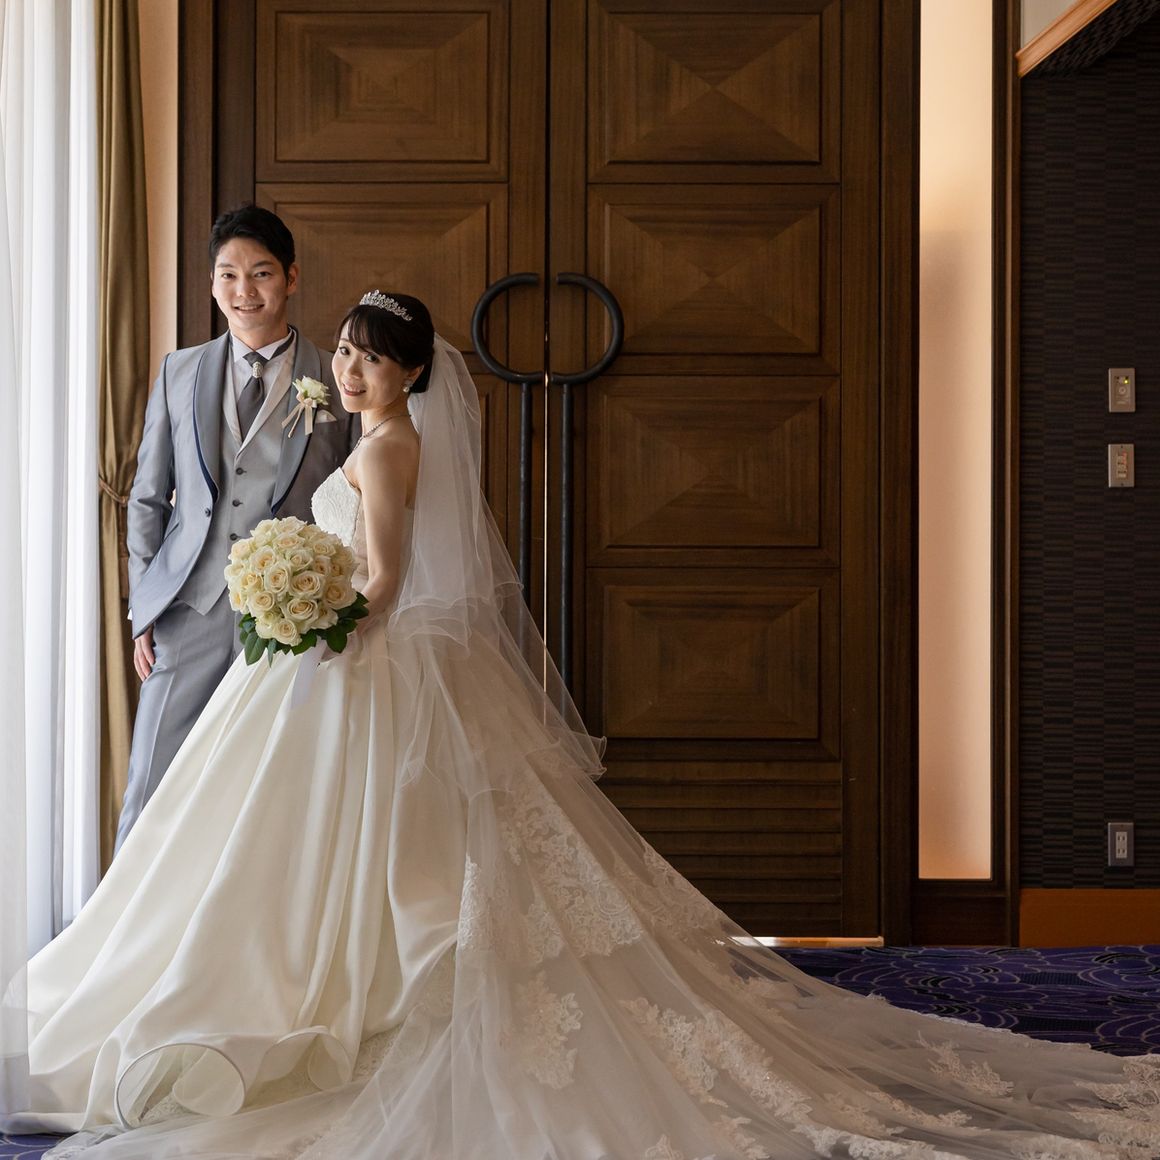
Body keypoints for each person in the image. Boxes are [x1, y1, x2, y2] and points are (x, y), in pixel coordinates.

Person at [5, 292, 1159, 1159]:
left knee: (370, 855)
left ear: (411, 372)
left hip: (353, 656)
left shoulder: (392, 446)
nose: (350, 369)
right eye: (346, 352)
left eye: (372, 357)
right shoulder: (368, 435)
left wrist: (317, 614)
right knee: (293, 850)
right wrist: (298, 595)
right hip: (329, 662)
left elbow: (388, 578)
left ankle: (347, 1005)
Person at [118, 205, 357, 849]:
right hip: (188, 609)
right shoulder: (180, 370)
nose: (244, 291)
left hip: (292, 620)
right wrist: (145, 608)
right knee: (152, 783)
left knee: (273, 793)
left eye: (261, 273)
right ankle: (125, 916)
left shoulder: (336, 377)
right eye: (228, 275)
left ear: (291, 278)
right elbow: (147, 498)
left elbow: (353, 503)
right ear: (212, 283)